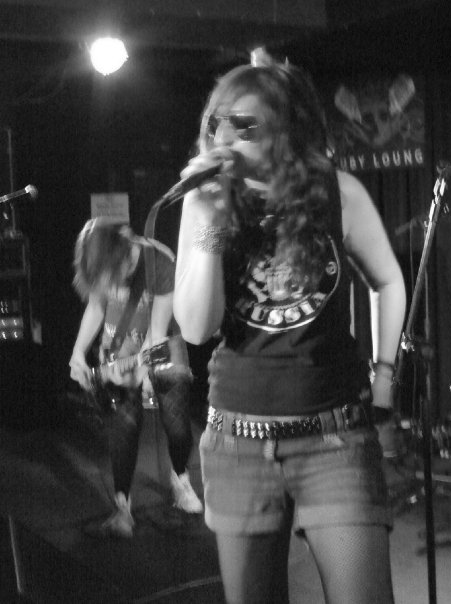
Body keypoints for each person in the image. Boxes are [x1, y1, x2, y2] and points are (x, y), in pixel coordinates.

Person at [173, 48, 406, 604]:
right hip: (237, 442)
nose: (223, 137)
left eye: (244, 126)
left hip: (334, 439)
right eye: (216, 123)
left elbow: (389, 281)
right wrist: (206, 221)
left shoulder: (338, 192)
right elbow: (198, 328)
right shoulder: (203, 204)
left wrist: (385, 376)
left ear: (284, 131)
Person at [69, 218, 202, 539]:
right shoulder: (102, 260)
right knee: (124, 429)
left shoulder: (159, 262)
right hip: (120, 343)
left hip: (164, 342)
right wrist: (78, 352)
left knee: (177, 425)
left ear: (126, 256)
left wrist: (139, 374)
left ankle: (180, 477)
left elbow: (156, 335)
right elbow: (96, 307)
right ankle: (123, 507)